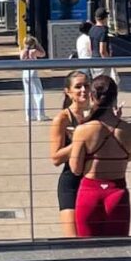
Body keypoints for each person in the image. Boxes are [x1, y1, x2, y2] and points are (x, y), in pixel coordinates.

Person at [69, 75, 131, 237]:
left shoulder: (84, 130)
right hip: (117, 191)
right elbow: (130, 156)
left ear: (92, 97)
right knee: (118, 248)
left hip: (90, 191)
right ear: (115, 97)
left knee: (88, 252)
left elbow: (75, 169)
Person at [49, 71, 92, 237]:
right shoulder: (62, 119)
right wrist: (78, 142)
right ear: (67, 91)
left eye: (86, 86)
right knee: (73, 240)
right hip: (71, 183)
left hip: (93, 182)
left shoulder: (95, 114)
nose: (83, 90)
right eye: (78, 86)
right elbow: (55, 158)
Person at [20, 35, 48, 121]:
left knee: (28, 94)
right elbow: (43, 54)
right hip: (33, 72)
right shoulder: (34, 51)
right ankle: (40, 114)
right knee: (38, 93)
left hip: (25, 73)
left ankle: (29, 115)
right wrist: (38, 44)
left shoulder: (22, 52)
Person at [88, 8, 111, 78]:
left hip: (93, 60)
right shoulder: (103, 31)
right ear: (105, 18)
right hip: (102, 62)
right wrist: (109, 62)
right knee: (104, 83)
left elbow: (90, 47)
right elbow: (102, 51)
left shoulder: (92, 29)